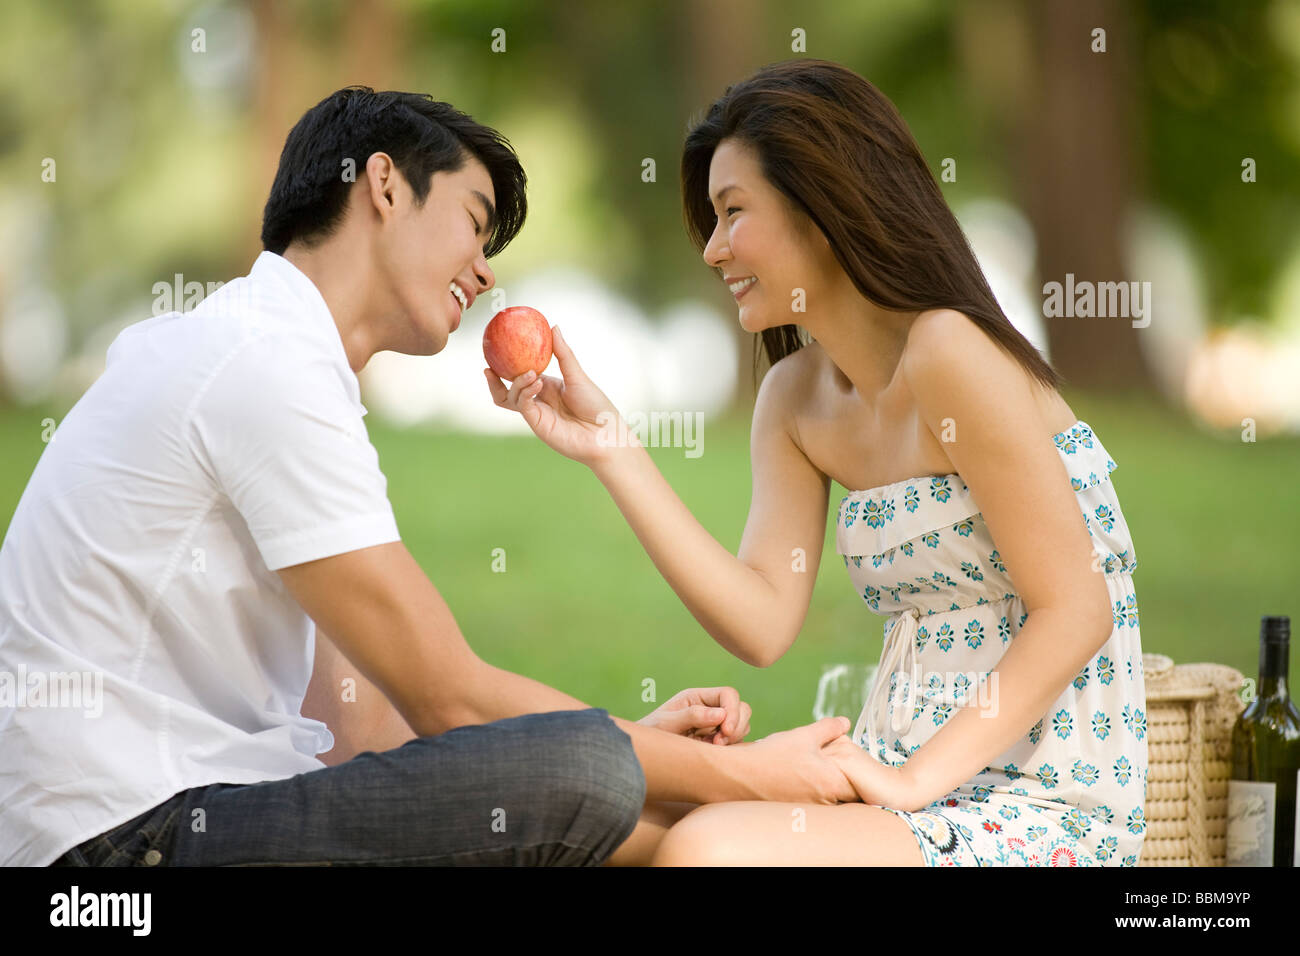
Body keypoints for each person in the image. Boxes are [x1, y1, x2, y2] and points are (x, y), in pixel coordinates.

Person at [0, 86, 862, 869]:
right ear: (382, 183)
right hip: (113, 850)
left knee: (586, 771)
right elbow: (448, 695)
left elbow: (364, 723)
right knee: (581, 766)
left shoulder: (262, 353)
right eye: (472, 220)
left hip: (175, 821)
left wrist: (651, 761)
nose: (486, 272)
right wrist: (729, 771)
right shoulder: (263, 366)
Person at [487, 59, 1148, 866]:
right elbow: (761, 622)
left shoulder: (949, 352)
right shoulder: (797, 397)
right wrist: (610, 450)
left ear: (823, 208)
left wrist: (910, 782)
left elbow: (1076, 610)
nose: (713, 250)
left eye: (733, 213)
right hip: (898, 772)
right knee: (596, 823)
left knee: (709, 851)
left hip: (1038, 797)